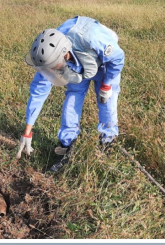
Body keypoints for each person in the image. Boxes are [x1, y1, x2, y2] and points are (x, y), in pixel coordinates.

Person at [17, 17, 124, 172]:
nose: (51, 71)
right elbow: (39, 91)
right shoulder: (48, 56)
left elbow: (118, 58)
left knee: (106, 102)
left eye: (53, 67)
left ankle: (108, 145)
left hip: (104, 64)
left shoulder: (93, 38)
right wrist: (27, 131)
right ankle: (66, 147)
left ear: (65, 54)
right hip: (76, 66)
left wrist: (107, 85)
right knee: (73, 98)